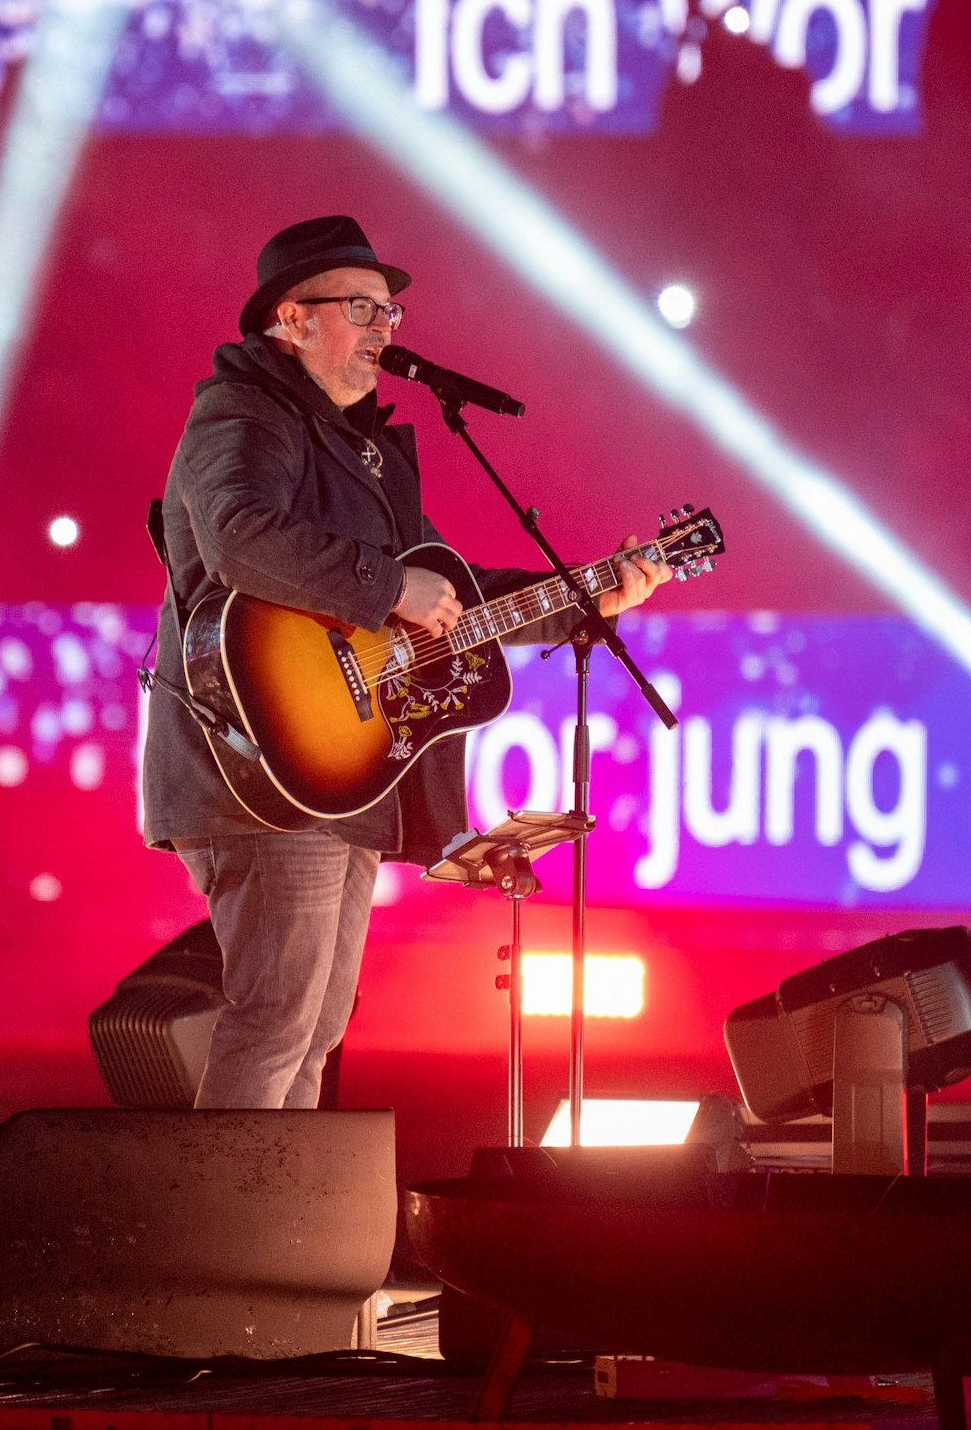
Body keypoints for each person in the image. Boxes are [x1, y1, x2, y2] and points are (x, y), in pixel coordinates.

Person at [142, 215, 670, 1109]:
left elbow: (448, 593)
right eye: (362, 307)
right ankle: (217, 1246)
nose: (387, 329)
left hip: (341, 773)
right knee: (276, 1020)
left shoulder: (367, 451)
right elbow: (236, 536)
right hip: (260, 764)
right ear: (290, 319)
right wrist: (385, 586)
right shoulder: (243, 410)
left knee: (316, 1031)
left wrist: (585, 593)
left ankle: (273, 1238)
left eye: (390, 312)